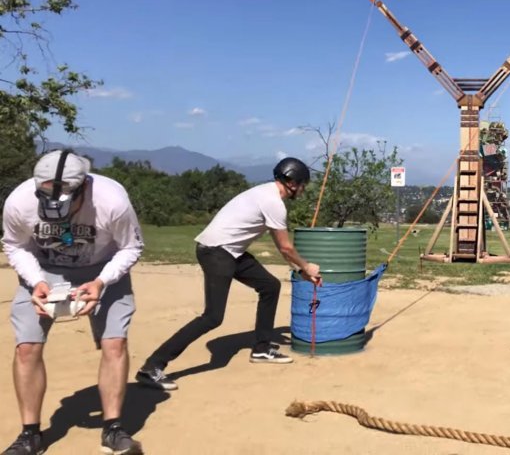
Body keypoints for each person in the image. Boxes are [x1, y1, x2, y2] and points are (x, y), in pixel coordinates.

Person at [2, 150, 144, 455]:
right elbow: (14, 245)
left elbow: (131, 247)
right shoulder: (18, 201)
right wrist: (36, 281)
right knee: (27, 347)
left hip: (103, 268)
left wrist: (102, 282)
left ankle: (113, 428)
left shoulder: (112, 201)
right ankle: (30, 435)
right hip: (43, 269)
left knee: (114, 343)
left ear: (83, 188)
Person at [136, 157, 321, 391]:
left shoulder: (264, 193)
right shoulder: (273, 202)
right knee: (213, 317)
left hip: (231, 252)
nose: (303, 191)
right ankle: (151, 367)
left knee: (270, 286)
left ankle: (262, 349)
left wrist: (299, 269)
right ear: (293, 183)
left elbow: (282, 249)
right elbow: (285, 247)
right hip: (217, 252)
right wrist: (307, 267)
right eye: (303, 185)